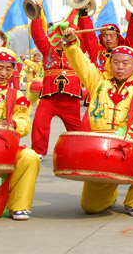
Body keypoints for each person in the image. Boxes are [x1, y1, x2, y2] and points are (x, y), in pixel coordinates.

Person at [62, 28, 133, 217]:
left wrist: (128, 133)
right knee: (91, 208)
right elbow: (81, 64)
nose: (120, 67)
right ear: (109, 64)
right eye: (116, 62)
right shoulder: (98, 82)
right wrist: (71, 44)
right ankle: (108, 196)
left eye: (126, 63)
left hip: (131, 143)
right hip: (101, 148)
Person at [0, 47, 40, 221]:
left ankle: (19, 206)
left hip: (1, 150)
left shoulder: (15, 96)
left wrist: (12, 124)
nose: (4, 73)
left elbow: (24, 123)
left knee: (29, 156)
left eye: (9, 68)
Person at [28, 12, 83, 159]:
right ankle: (38, 152)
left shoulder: (76, 51)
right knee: (39, 123)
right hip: (49, 98)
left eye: (63, 37)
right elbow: (39, 37)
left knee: (77, 129)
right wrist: (36, 19)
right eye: (58, 37)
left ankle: (80, 152)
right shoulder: (48, 50)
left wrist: (81, 16)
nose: (60, 40)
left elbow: (84, 38)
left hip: (70, 99)